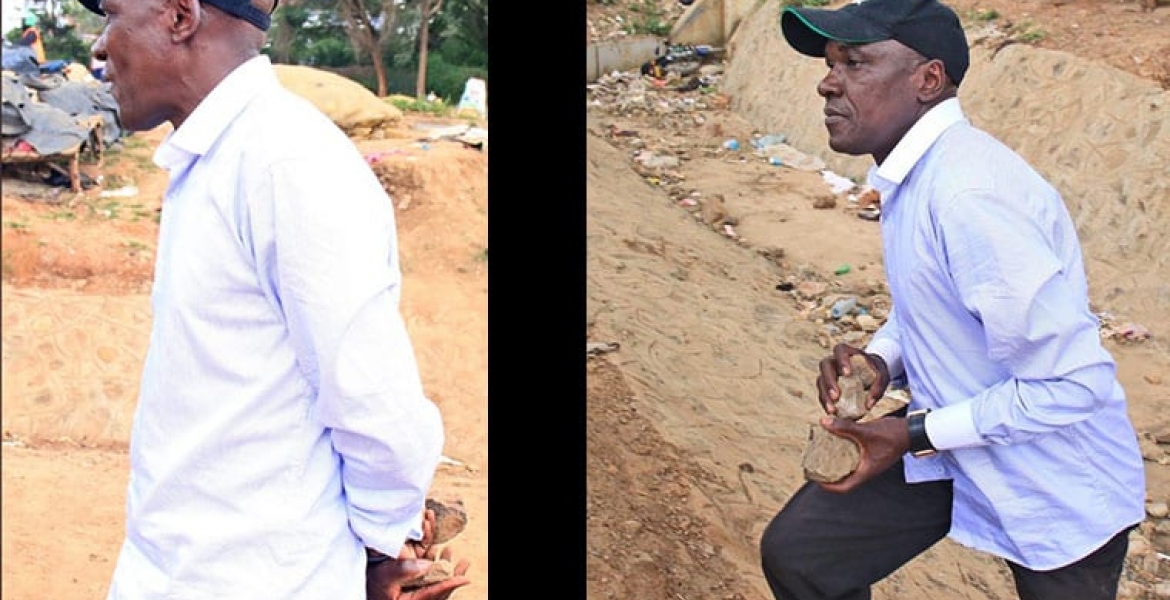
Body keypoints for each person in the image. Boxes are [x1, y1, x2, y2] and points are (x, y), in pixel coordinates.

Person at [78, 0, 471, 598]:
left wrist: (383, 545)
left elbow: (373, 402)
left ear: (180, 16)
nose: (99, 47)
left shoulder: (286, 163)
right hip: (181, 571)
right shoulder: (220, 158)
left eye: (110, 14)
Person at [759, 0, 1147, 598]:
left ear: (927, 80)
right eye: (832, 62)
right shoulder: (913, 174)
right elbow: (936, 303)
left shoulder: (970, 195)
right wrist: (882, 360)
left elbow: (1073, 385)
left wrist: (914, 435)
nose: (827, 81)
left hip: (1052, 480)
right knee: (803, 556)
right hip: (951, 438)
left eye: (855, 62)